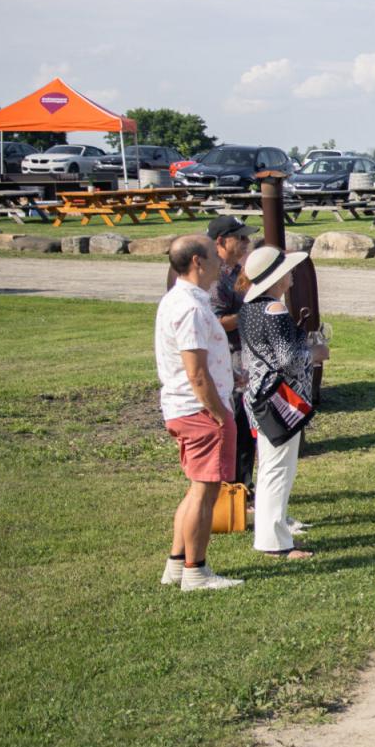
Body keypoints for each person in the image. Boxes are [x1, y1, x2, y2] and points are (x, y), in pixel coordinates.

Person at [155, 234, 242, 591]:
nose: (221, 260)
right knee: (206, 493)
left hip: (188, 408)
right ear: (197, 262)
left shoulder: (182, 299)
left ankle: (177, 565)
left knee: (196, 490)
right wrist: (219, 413)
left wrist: (230, 376)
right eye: (213, 255)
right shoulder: (189, 307)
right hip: (199, 412)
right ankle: (196, 571)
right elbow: (196, 373)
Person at [239, 245, 328, 561]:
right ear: (277, 277)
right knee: (279, 471)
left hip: (259, 397)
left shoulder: (249, 308)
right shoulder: (274, 310)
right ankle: (274, 541)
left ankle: (271, 533)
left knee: (269, 469)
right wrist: (315, 353)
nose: (291, 275)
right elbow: (288, 359)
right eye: (287, 270)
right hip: (280, 399)